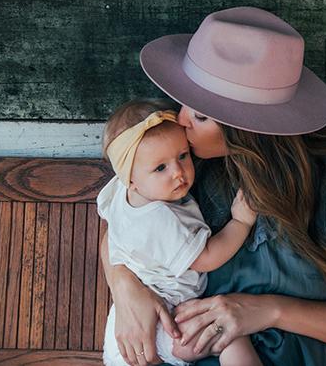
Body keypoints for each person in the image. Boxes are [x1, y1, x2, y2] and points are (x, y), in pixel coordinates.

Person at [100, 6, 326, 366]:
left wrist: (267, 311)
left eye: (200, 115)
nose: (181, 121)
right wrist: (125, 287)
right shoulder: (183, 171)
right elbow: (120, 226)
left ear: (246, 128)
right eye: (184, 103)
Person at [97, 99, 263, 366]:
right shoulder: (160, 219)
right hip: (162, 322)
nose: (178, 173)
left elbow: (110, 223)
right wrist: (240, 223)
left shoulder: (120, 192)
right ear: (132, 180)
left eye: (183, 156)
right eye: (160, 168)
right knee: (230, 339)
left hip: (127, 321)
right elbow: (206, 257)